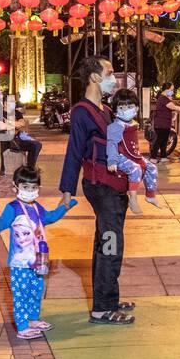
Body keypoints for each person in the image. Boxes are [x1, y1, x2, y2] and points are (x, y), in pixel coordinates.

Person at [59, 55, 135, 326]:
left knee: (106, 242)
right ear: (94, 77)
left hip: (114, 186)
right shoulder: (82, 111)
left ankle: (108, 300)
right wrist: (67, 189)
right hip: (101, 186)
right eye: (110, 72)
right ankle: (103, 308)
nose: (114, 78)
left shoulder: (105, 110)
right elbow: (74, 151)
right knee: (111, 244)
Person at [0, 165, 75, 340]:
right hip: (20, 262)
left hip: (38, 261)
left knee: (36, 291)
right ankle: (23, 327)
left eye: (34, 187)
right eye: (25, 187)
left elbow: (51, 217)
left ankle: (33, 319)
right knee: (21, 294)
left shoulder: (37, 207)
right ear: (15, 187)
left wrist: (67, 206)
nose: (30, 191)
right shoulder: (13, 208)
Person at [106, 88, 160, 214]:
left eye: (130, 106)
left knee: (152, 168)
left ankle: (150, 195)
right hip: (120, 156)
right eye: (122, 108)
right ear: (115, 111)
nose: (126, 110)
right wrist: (112, 161)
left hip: (133, 155)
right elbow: (111, 144)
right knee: (136, 169)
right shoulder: (116, 126)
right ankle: (133, 199)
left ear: (136, 108)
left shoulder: (132, 123)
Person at [150, 81, 177, 161]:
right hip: (161, 124)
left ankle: (163, 156)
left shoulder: (165, 98)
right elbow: (173, 107)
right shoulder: (162, 98)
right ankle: (153, 157)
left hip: (165, 123)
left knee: (164, 141)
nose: (172, 92)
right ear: (166, 90)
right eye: (171, 90)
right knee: (159, 140)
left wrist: (170, 98)